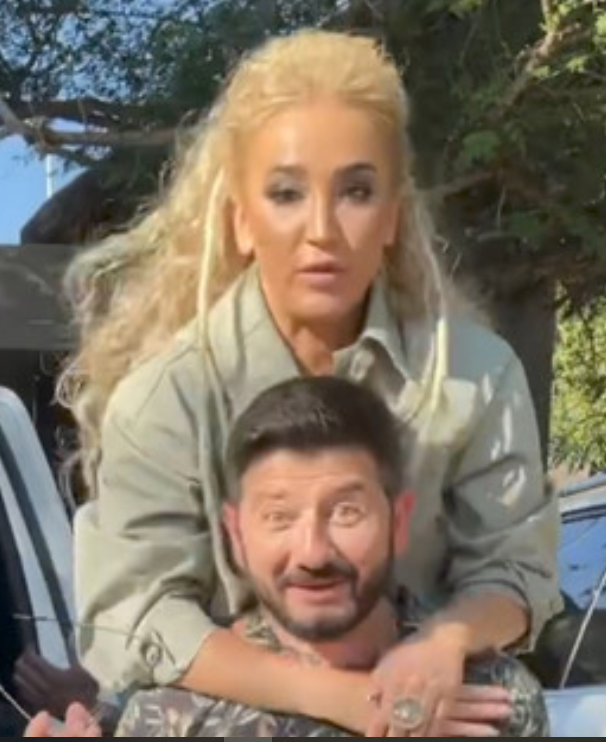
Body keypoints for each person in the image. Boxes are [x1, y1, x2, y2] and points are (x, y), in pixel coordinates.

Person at [60, 27, 561, 735]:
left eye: (356, 191)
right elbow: (138, 617)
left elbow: (516, 573)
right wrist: (343, 702)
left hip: (428, 702)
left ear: (392, 217)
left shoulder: (475, 378)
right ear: (240, 221)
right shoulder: (163, 400)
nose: (322, 229)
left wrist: (441, 646)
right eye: (287, 193)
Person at [26, 378, 549, 736]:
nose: (313, 552)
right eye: (279, 517)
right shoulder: (172, 719)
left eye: (346, 512)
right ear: (237, 534)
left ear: (398, 520)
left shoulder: (490, 700)